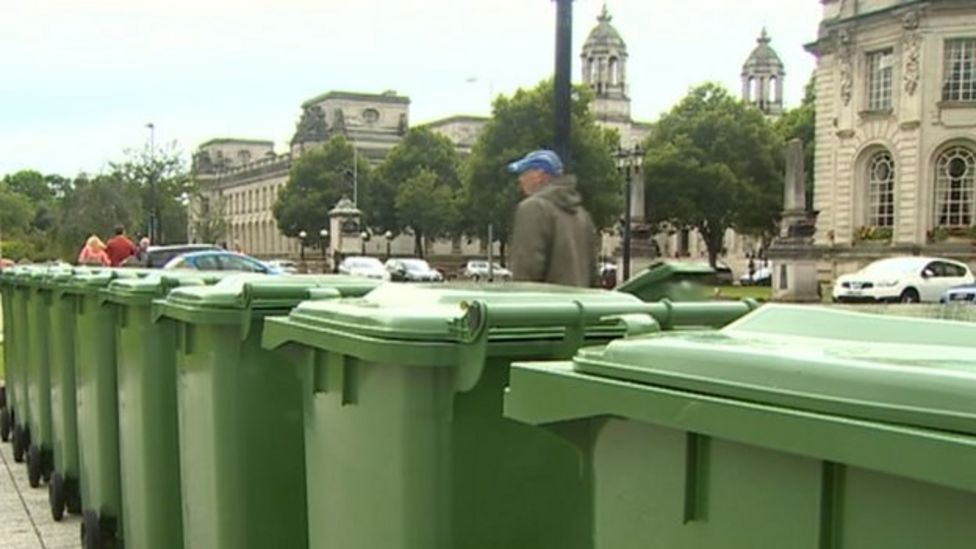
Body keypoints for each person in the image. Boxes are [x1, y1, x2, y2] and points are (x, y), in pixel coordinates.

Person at [508, 149, 598, 287]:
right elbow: (592, 272)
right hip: (579, 304)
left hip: (546, 306)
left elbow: (526, 269)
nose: (520, 179)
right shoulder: (582, 215)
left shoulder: (532, 208)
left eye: (524, 172)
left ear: (540, 175)